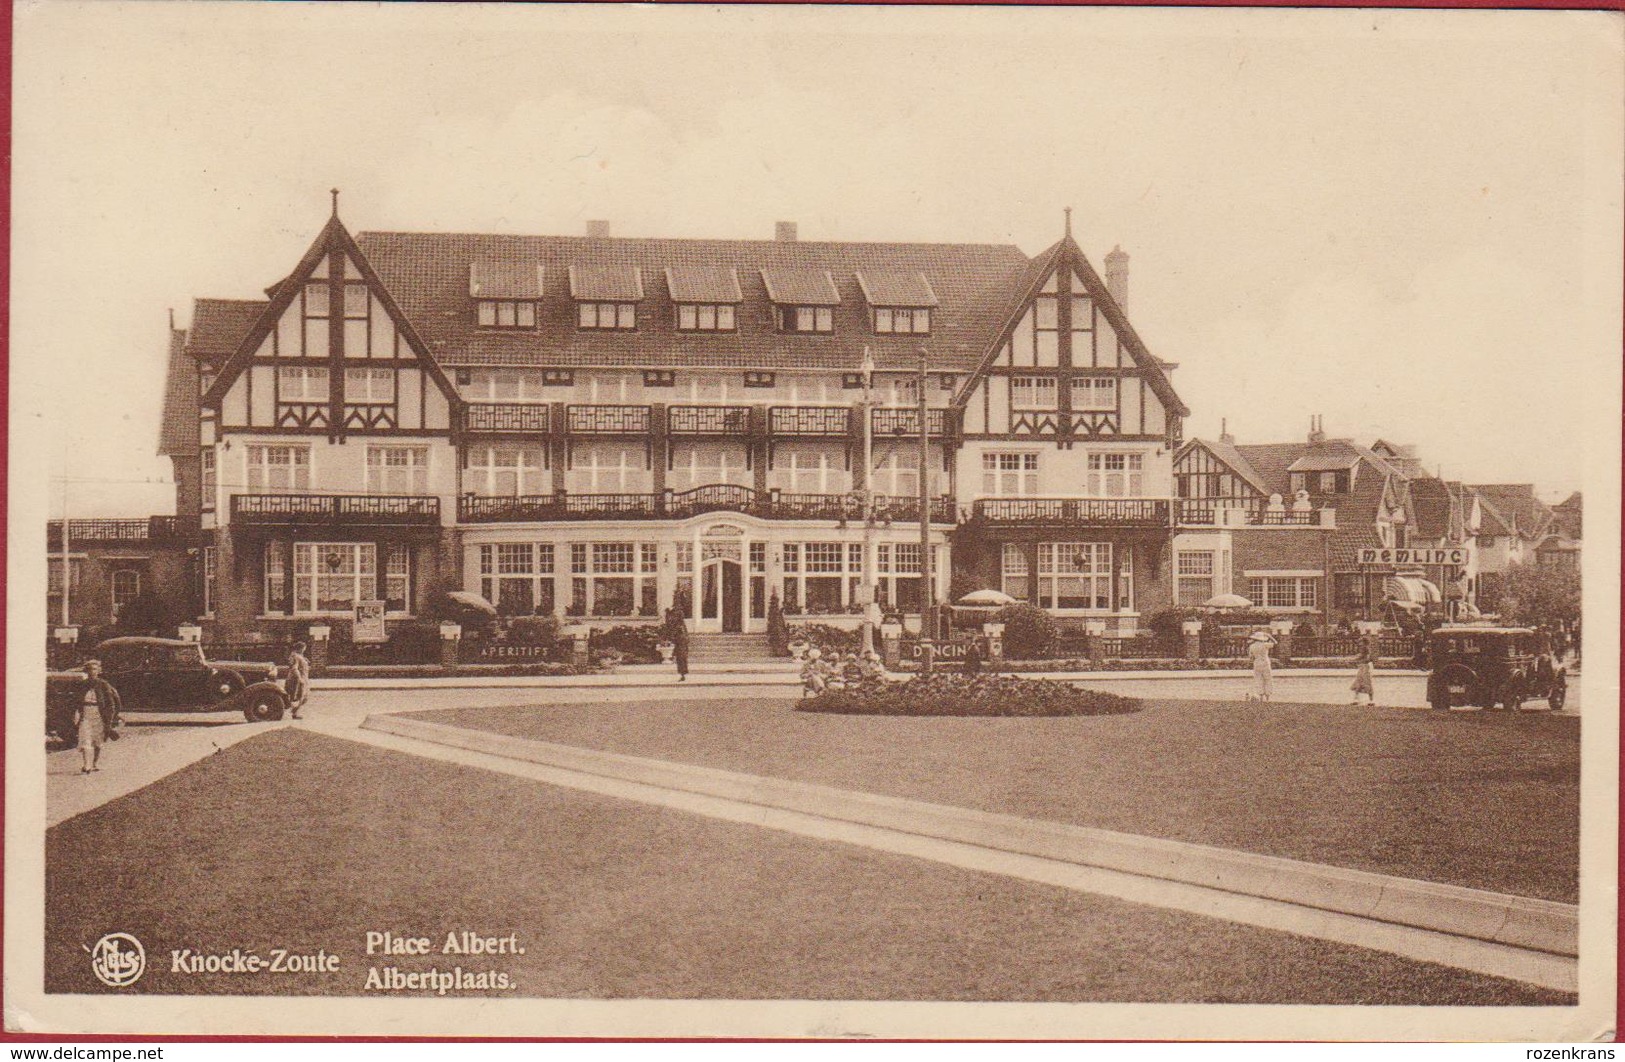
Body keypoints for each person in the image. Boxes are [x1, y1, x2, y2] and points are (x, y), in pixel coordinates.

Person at [74, 660, 121, 774]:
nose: (92, 672)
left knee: (97, 741)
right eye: (89, 669)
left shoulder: (103, 684)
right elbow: (75, 701)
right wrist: (76, 713)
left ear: (99, 671)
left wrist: (111, 717)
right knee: (85, 738)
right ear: (86, 671)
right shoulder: (81, 685)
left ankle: (94, 763)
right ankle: (86, 765)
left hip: (99, 714)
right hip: (85, 714)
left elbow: (111, 702)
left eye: (94, 669)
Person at [1247, 630, 1276, 702]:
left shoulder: (1252, 646)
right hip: (1265, 662)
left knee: (1258, 679)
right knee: (1267, 679)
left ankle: (1261, 697)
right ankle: (1267, 698)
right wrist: (1269, 636)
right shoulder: (1265, 645)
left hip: (1257, 662)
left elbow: (1251, 657)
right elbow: (1275, 643)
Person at [284, 642, 311, 719]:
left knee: (303, 697)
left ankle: (293, 711)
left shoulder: (298, 656)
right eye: (303, 648)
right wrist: (300, 679)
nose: (304, 650)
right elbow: (294, 668)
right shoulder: (296, 656)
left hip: (303, 678)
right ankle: (294, 712)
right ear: (300, 648)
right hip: (297, 679)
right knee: (300, 697)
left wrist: (304, 660)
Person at [663, 606, 690, 681]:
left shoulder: (678, 621)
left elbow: (675, 628)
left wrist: (670, 637)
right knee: (680, 656)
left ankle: (683, 673)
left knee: (681, 656)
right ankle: (682, 673)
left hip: (681, 638)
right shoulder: (671, 617)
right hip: (679, 638)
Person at [1350, 636, 1377, 706]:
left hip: (1366, 667)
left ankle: (1371, 700)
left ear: (1364, 642)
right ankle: (1356, 699)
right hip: (1362, 667)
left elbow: (1367, 658)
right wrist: (1356, 658)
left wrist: (1356, 659)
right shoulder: (1363, 649)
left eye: (1361, 642)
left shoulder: (1366, 649)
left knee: (1367, 682)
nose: (1359, 643)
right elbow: (1361, 656)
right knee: (1358, 682)